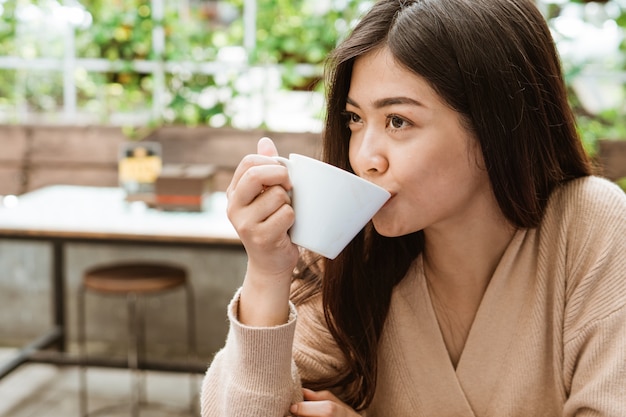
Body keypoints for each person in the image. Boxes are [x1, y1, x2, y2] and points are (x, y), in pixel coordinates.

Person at [201, 0, 626, 415]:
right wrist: (267, 274)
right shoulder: (348, 242)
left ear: (496, 124)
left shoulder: (591, 224)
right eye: (354, 119)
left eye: (398, 122)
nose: (365, 157)